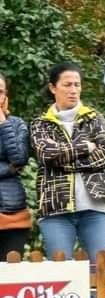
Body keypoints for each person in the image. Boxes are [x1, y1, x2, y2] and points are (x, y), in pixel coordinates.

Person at [30, 62, 105, 298]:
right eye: (67, 84)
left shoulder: (95, 118)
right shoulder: (40, 123)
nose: (73, 90)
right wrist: (84, 147)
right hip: (55, 210)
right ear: (53, 88)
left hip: (97, 207)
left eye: (77, 84)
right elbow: (46, 155)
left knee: (104, 272)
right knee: (61, 276)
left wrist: (66, 155)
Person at [0, 72, 31, 260]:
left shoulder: (16, 124)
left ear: (5, 96)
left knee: (10, 279)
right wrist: (8, 170)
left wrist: (3, 124)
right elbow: (13, 165)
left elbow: (19, 158)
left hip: (12, 214)